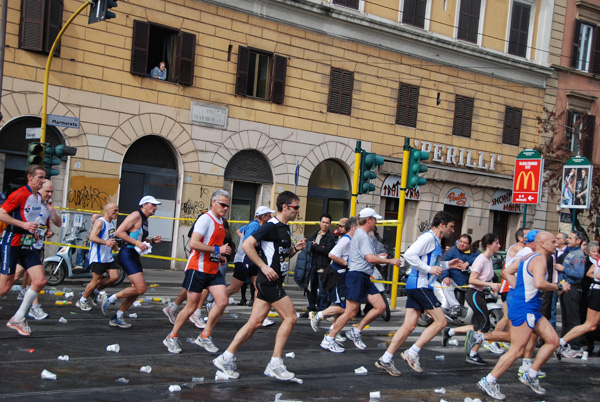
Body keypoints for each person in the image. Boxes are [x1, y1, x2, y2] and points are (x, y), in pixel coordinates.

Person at [212, 191, 307, 381]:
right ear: (285, 207)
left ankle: (225, 357)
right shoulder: (270, 226)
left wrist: (295, 249)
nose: (298, 211)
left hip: (272, 280)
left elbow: (281, 256)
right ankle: (275, 364)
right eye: (296, 207)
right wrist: (263, 266)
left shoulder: (285, 228)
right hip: (268, 281)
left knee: (254, 323)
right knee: (291, 317)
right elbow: (247, 244)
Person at [477, 231, 568, 400]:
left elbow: (506, 272)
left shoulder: (528, 257)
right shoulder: (539, 259)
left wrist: (520, 290)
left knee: (553, 341)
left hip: (529, 307)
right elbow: (539, 283)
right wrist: (559, 287)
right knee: (517, 350)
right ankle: (488, 380)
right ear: (542, 243)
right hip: (524, 308)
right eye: (553, 241)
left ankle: (531, 375)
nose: (556, 244)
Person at [375, 211, 460, 376]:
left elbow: (431, 262)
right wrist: (428, 269)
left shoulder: (435, 241)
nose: (452, 231)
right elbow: (409, 255)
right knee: (441, 322)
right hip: (421, 286)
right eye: (450, 227)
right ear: (442, 224)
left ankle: (385, 358)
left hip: (416, 286)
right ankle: (412, 352)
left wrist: (448, 264)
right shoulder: (428, 238)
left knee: (409, 326)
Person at [320, 208, 402, 355]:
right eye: (375, 219)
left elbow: (368, 256)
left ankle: (355, 331)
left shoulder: (361, 234)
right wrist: (390, 261)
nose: (376, 222)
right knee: (350, 312)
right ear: (369, 220)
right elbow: (369, 258)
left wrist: (379, 257)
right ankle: (329, 338)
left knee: (381, 306)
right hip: (357, 276)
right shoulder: (362, 235)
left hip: (364, 276)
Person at [162, 190, 232, 354]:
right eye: (222, 204)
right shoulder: (205, 219)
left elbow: (211, 246)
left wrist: (219, 256)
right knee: (191, 307)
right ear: (213, 202)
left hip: (213, 269)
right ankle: (171, 336)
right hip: (198, 268)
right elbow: (194, 243)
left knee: (222, 302)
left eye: (227, 205)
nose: (225, 208)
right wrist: (218, 249)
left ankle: (205, 336)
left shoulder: (221, 221)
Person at [101, 196, 162, 328]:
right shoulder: (136, 215)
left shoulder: (146, 220)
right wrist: (138, 243)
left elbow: (139, 239)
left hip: (134, 254)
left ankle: (118, 316)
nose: (156, 207)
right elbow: (119, 232)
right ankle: (111, 298)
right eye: (154, 205)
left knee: (137, 290)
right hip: (126, 253)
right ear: (144, 205)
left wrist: (151, 242)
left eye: (157, 205)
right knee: (141, 288)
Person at [0, 165, 48, 336]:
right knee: (5, 286)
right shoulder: (20, 194)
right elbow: (1, 213)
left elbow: (30, 218)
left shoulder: (37, 198)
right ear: (30, 177)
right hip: (11, 242)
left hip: (27, 244)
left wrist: (32, 232)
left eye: (44, 178)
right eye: (40, 178)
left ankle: (18, 318)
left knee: (40, 281)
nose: (42, 181)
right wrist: (23, 225)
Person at [441, 234, 502, 364]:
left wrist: (492, 285)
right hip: (474, 293)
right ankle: (472, 354)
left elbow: (486, 278)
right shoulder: (481, 259)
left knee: (480, 325)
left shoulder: (489, 259)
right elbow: (472, 280)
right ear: (489, 245)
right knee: (485, 324)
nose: (499, 246)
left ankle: (450, 331)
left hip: (480, 293)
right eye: (497, 243)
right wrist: (490, 285)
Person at [311, 217, 356, 336]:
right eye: (340, 226)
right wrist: (347, 264)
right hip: (337, 276)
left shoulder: (348, 239)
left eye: (341, 226)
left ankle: (333, 331)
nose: (339, 228)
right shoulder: (345, 240)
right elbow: (332, 255)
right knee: (344, 308)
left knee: (342, 307)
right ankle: (319, 315)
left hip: (342, 276)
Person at [556, 241, 600, 358]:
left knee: (591, 325)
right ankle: (563, 343)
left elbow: (592, 272)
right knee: (589, 324)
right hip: (596, 292)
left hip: (594, 291)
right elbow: (597, 275)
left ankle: (562, 342)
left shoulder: (596, 259)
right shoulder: (581, 255)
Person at [76, 203, 120, 311]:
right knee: (96, 280)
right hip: (98, 257)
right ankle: (82, 300)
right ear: (107, 211)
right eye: (115, 211)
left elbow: (109, 238)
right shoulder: (100, 222)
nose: (117, 213)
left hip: (107, 256)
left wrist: (114, 245)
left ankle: (94, 292)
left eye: (117, 210)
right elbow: (92, 237)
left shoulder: (112, 223)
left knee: (115, 277)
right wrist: (105, 243)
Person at [554, 231, 586, 356]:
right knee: (566, 319)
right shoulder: (570, 252)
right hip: (565, 288)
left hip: (572, 288)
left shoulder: (578, 255)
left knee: (573, 319)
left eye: (571, 238)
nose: (568, 240)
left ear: (578, 241)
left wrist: (564, 269)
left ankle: (576, 346)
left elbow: (579, 274)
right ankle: (567, 343)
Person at [439, 234, 479, 317]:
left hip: (468, 282)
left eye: (465, 243)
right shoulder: (451, 251)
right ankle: (455, 307)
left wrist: (468, 263)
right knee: (445, 284)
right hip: (454, 280)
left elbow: (481, 257)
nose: (462, 244)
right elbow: (442, 263)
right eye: (460, 241)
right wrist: (445, 276)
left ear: (469, 245)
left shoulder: (474, 252)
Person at [306, 214, 336, 314]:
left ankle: (322, 311)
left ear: (330, 224)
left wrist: (315, 246)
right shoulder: (316, 233)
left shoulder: (331, 237)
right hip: (312, 266)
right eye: (323, 222)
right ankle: (311, 309)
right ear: (319, 223)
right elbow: (309, 243)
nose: (324, 225)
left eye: (327, 223)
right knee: (311, 289)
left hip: (323, 267)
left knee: (323, 291)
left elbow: (327, 251)